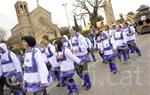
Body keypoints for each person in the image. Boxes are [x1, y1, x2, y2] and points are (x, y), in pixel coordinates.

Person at [68, 26, 91, 90]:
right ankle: (85, 81)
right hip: (75, 58)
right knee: (78, 72)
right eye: (69, 30)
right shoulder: (70, 39)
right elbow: (71, 47)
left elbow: (86, 45)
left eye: (72, 30)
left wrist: (78, 49)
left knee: (85, 72)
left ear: (75, 30)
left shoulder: (80, 37)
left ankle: (88, 83)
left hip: (82, 56)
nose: (70, 32)